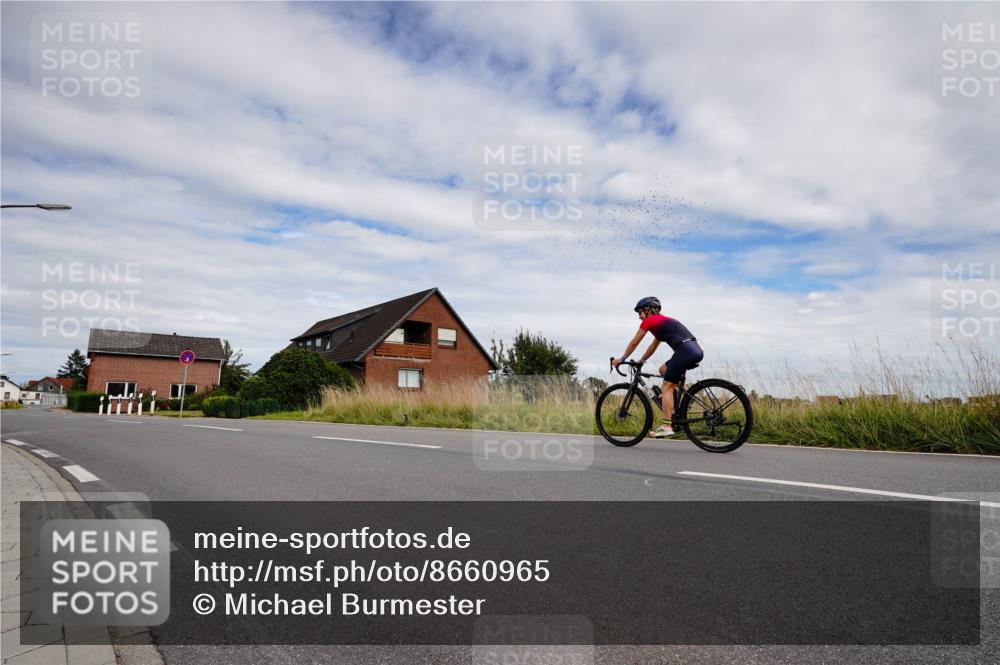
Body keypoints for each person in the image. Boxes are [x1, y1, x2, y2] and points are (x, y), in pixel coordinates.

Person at [613, 297, 703, 438]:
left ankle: (667, 426)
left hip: (684, 351)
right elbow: (653, 346)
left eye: (640, 313)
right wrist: (641, 360)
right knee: (663, 370)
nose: (639, 317)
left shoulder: (650, 321)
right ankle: (687, 397)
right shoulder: (662, 323)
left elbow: (634, 342)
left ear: (648, 310)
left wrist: (622, 359)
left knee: (666, 387)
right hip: (693, 350)